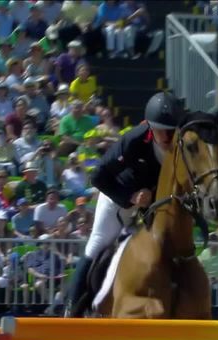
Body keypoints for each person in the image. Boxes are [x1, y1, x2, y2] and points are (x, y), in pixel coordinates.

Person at [65, 91, 186, 316]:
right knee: (96, 246)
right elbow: (98, 176)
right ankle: (70, 313)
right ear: (150, 127)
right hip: (117, 200)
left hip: (151, 208)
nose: (168, 137)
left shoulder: (181, 146)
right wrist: (130, 197)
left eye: (172, 130)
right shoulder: (133, 140)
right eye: (163, 131)